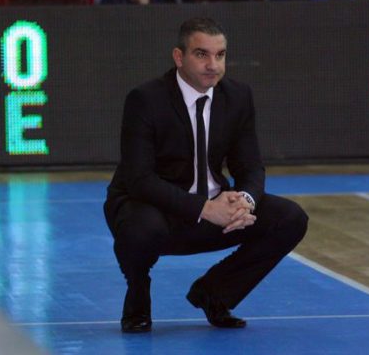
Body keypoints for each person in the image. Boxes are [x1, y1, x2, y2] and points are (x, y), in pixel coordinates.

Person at [103, 17, 308, 333]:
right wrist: (204, 208)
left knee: (290, 218)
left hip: (213, 207)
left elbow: (250, 166)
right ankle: (138, 296)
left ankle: (214, 293)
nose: (213, 65)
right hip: (154, 207)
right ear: (179, 57)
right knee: (141, 229)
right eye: (202, 54)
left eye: (220, 55)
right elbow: (139, 180)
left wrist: (245, 200)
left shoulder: (237, 96)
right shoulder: (145, 99)